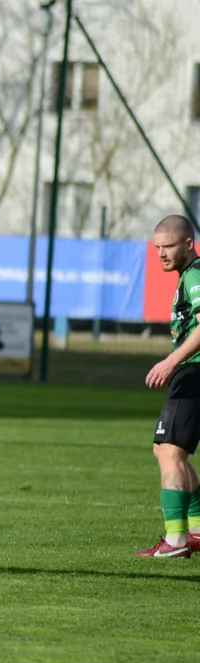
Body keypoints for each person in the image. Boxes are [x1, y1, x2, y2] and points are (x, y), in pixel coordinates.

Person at [136, 215, 200, 558]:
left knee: (171, 453)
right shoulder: (187, 275)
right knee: (165, 450)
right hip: (189, 372)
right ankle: (197, 529)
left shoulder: (195, 276)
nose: (161, 253)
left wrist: (171, 361)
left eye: (168, 246)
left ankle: (176, 541)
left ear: (188, 244)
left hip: (193, 372)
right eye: (157, 247)